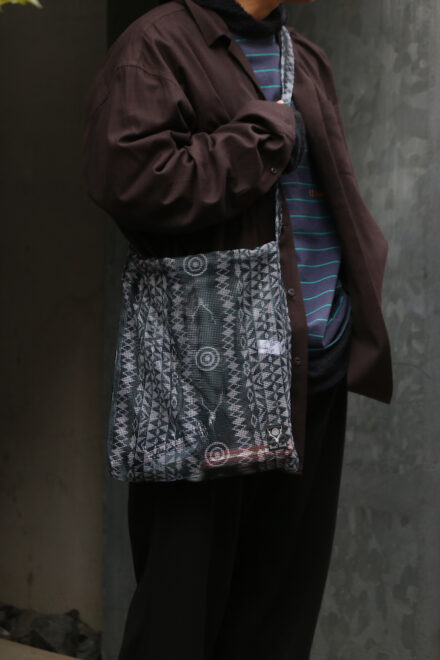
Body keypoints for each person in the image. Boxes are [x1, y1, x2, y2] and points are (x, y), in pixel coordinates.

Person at [82, 0, 393, 657]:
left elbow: (330, 192)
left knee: (278, 621)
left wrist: (343, 311)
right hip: (207, 383)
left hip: (312, 368)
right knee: (178, 621)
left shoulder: (306, 58)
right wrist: (258, 140)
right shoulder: (157, 46)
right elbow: (128, 180)